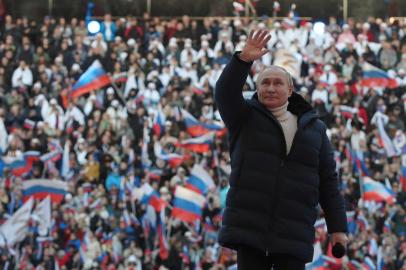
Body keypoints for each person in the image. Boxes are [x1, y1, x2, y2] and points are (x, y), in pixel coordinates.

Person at [214, 29, 349, 269]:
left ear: (290, 90)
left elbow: (328, 181)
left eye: (278, 83)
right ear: (257, 89)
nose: (271, 88)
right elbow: (224, 94)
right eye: (265, 83)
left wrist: (337, 228)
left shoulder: (315, 129)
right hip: (250, 231)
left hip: (294, 234)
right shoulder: (243, 117)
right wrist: (242, 60)